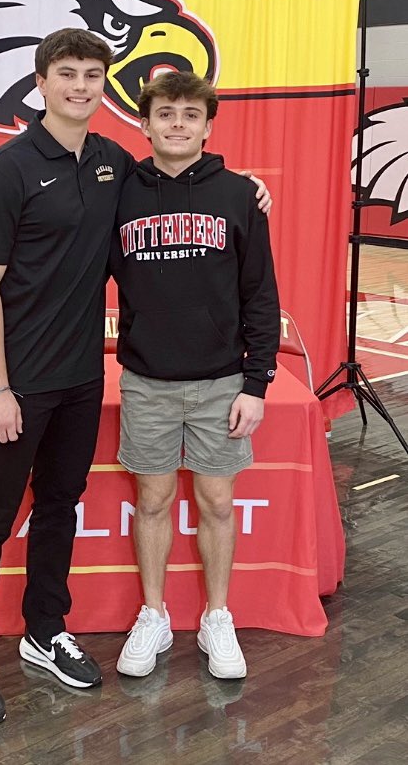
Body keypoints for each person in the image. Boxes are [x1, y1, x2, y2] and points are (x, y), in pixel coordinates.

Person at [0, 29, 271, 727]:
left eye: (92, 74)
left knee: (59, 505)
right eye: (67, 74)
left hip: (83, 377)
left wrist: (248, 190)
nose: (80, 86)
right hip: (17, 383)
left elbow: (183, 182)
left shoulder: (112, 163)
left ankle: (42, 631)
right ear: (40, 83)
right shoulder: (4, 170)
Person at [112, 71, 280, 682]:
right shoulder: (120, 192)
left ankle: (216, 617)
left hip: (220, 381)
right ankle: (153, 615)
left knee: (216, 499)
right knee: (152, 500)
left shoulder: (239, 195)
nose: (177, 123)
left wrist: (257, 383)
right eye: (165, 113)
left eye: (189, 114)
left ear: (208, 127)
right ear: (146, 122)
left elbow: (260, 293)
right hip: (146, 378)